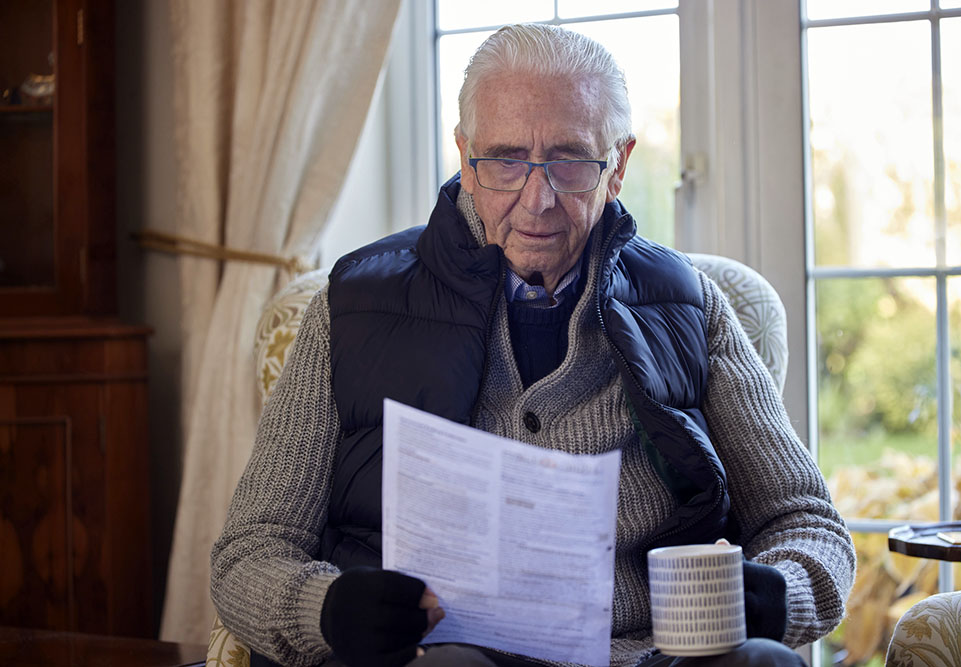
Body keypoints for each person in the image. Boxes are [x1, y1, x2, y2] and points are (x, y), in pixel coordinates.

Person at [211, 23, 855, 667]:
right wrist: (327, 608)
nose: (537, 200)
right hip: (440, 654)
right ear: (464, 158)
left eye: (571, 160)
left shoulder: (690, 303)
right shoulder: (352, 305)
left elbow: (808, 524)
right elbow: (248, 553)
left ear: (619, 165)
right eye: (505, 159)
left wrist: (771, 595)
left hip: (642, 656)